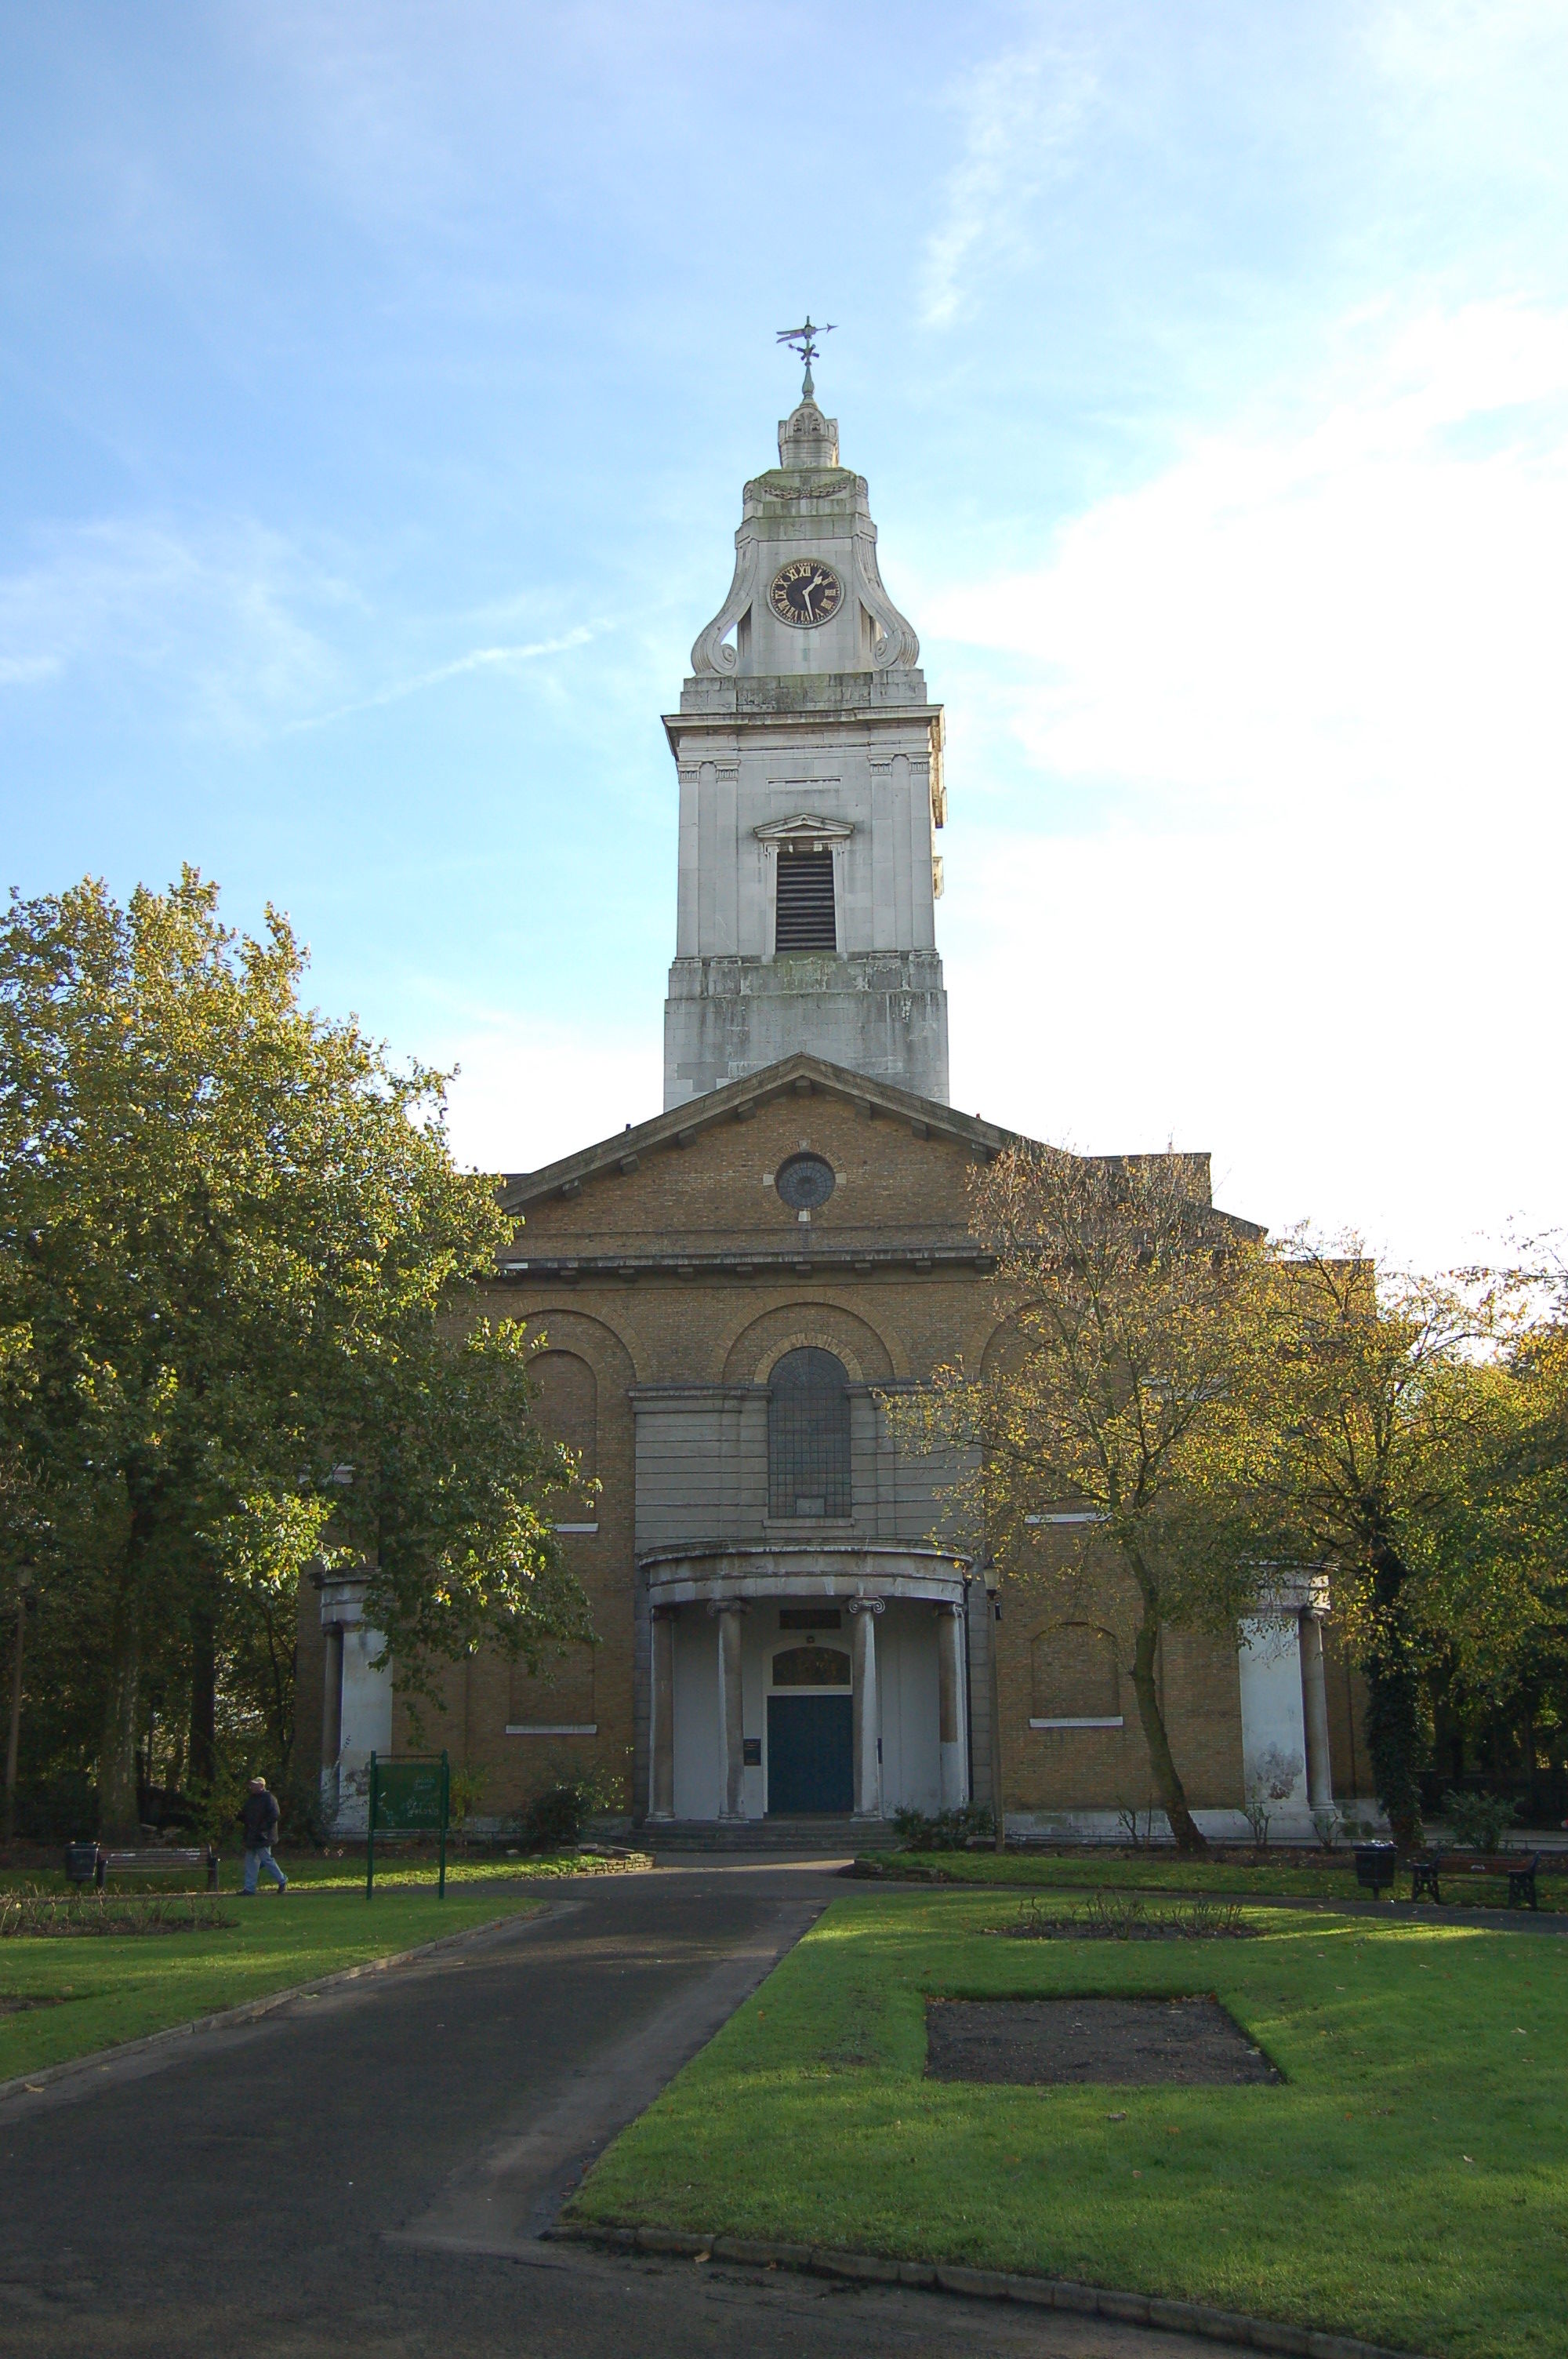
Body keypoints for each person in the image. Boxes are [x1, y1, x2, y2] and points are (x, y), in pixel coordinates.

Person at [238, 1776, 288, 1895]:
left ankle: (282, 1880)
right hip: (253, 1835)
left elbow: (275, 1815)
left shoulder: (269, 1798)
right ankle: (249, 1888)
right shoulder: (252, 1799)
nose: (252, 1787)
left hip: (263, 1836)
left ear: (261, 1786)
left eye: (254, 1784)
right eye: (252, 1784)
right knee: (251, 1861)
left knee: (266, 1860)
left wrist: (263, 1828)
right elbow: (245, 1814)